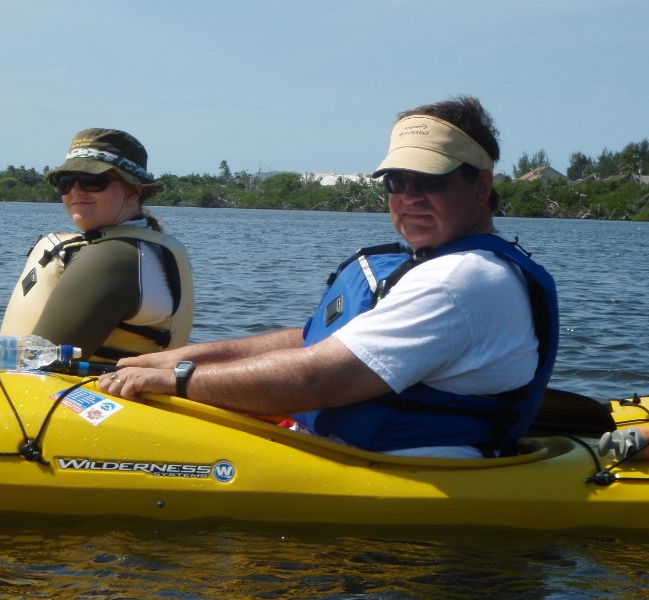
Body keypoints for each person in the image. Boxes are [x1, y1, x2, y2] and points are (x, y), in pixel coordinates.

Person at [97, 97, 559, 458]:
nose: (410, 197)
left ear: (480, 186)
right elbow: (311, 341)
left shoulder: (461, 280)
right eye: (397, 181)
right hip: (348, 454)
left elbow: (317, 380)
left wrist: (176, 380)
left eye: (431, 181)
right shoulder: (436, 264)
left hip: (401, 484)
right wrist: (173, 359)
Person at [0, 128, 194, 361]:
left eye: (94, 181)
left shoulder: (114, 257)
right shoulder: (145, 245)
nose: (76, 192)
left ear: (134, 191)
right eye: (66, 182)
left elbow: (37, 363)